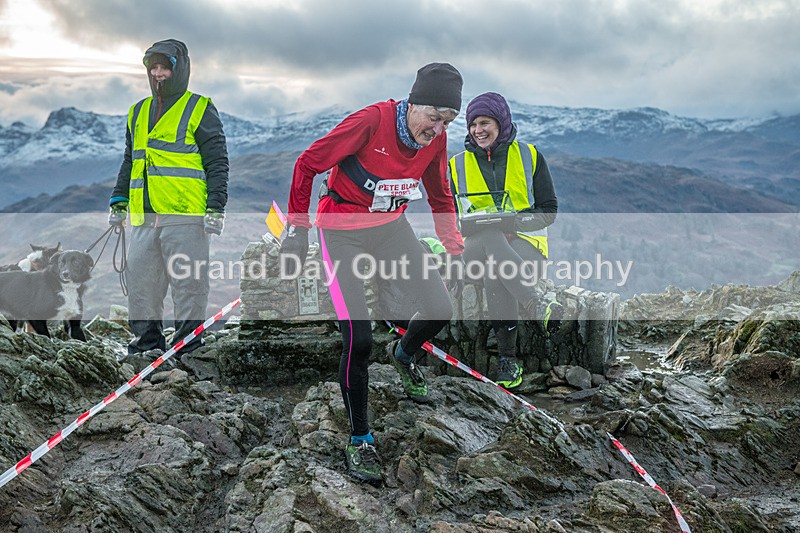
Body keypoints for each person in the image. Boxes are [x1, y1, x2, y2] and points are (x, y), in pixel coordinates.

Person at [280, 63, 465, 485]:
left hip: (390, 228)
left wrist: (453, 244)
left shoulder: (435, 141)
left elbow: (440, 193)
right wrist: (298, 227)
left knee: (439, 308)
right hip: (340, 230)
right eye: (434, 117)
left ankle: (403, 355)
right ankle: (360, 437)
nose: (438, 128)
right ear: (413, 102)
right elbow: (308, 163)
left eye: (448, 121)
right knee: (358, 338)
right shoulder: (371, 121)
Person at [108, 39, 229, 358]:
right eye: (154, 68)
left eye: (164, 67)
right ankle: (146, 347)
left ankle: (188, 349)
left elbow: (216, 161)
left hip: (186, 216)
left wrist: (216, 206)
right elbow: (129, 159)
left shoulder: (200, 107)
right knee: (141, 285)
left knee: (189, 285)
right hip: (144, 217)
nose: (158, 74)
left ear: (180, 70)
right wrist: (118, 199)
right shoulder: (137, 112)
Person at [449, 92, 561, 390]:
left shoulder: (530, 155)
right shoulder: (456, 165)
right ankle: (536, 305)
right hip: (473, 248)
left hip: (526, 245)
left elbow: (549, 211)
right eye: (472, 124)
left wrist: (514, 223)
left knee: (495, 269)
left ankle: (507, 360)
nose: (477, 130)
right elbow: (449, 217)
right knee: (489, 233)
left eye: (484, 122)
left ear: (501, 122)